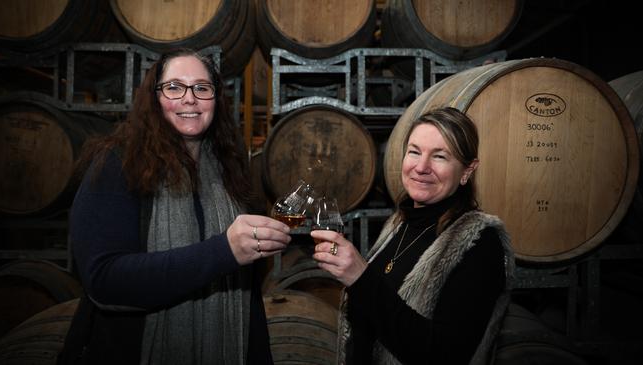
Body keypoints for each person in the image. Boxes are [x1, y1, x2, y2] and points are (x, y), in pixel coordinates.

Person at [58, 48, 291, 365]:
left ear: (215, 100)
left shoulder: (228, 170)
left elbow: (246, 294)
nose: (190, 98)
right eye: (174, 87)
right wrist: (223, 251)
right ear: (153, 98)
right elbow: (105, 280)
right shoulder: (117, 165)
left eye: (202, 88)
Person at [311, 107, 515, 364]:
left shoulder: (479, 243)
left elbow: (443, 354)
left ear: (467, 171)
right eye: (414, 152)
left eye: (440, 156)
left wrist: (360, 278)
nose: (421, 167)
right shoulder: (400, 222)